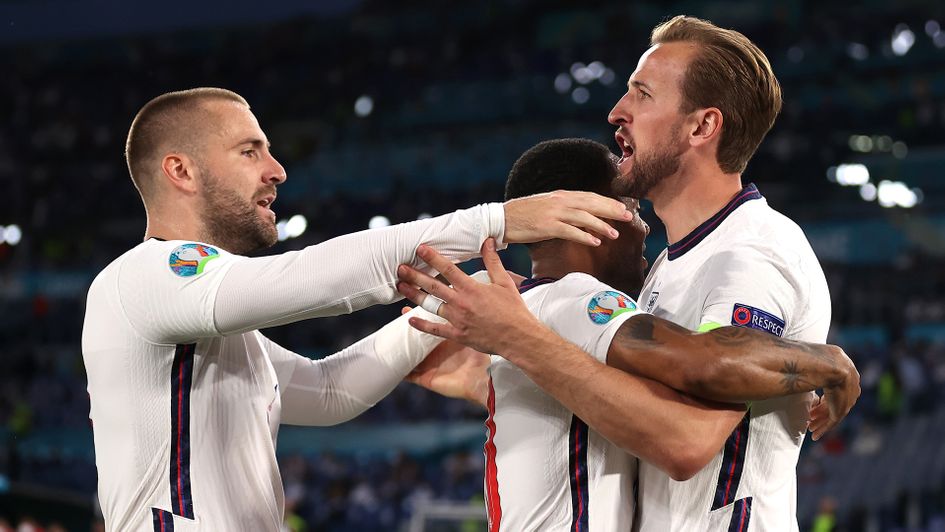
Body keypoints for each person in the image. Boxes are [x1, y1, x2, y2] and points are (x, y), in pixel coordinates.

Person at [80, 87, 633, 531]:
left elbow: (328, 392)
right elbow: (304, 279)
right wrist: (496, 222)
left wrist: (440, 310)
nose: (277, 169)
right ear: (180, 171)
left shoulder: (203, 323)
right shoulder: (144, 277)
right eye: (249, 151)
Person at [396, 16, 858, 532]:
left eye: (643, 94)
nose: (617, 111)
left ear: (702, 127)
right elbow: (635, 406)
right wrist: (505, 375)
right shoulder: (671, 263)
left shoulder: (750, 252)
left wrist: (520, 339)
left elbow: (686, 441)